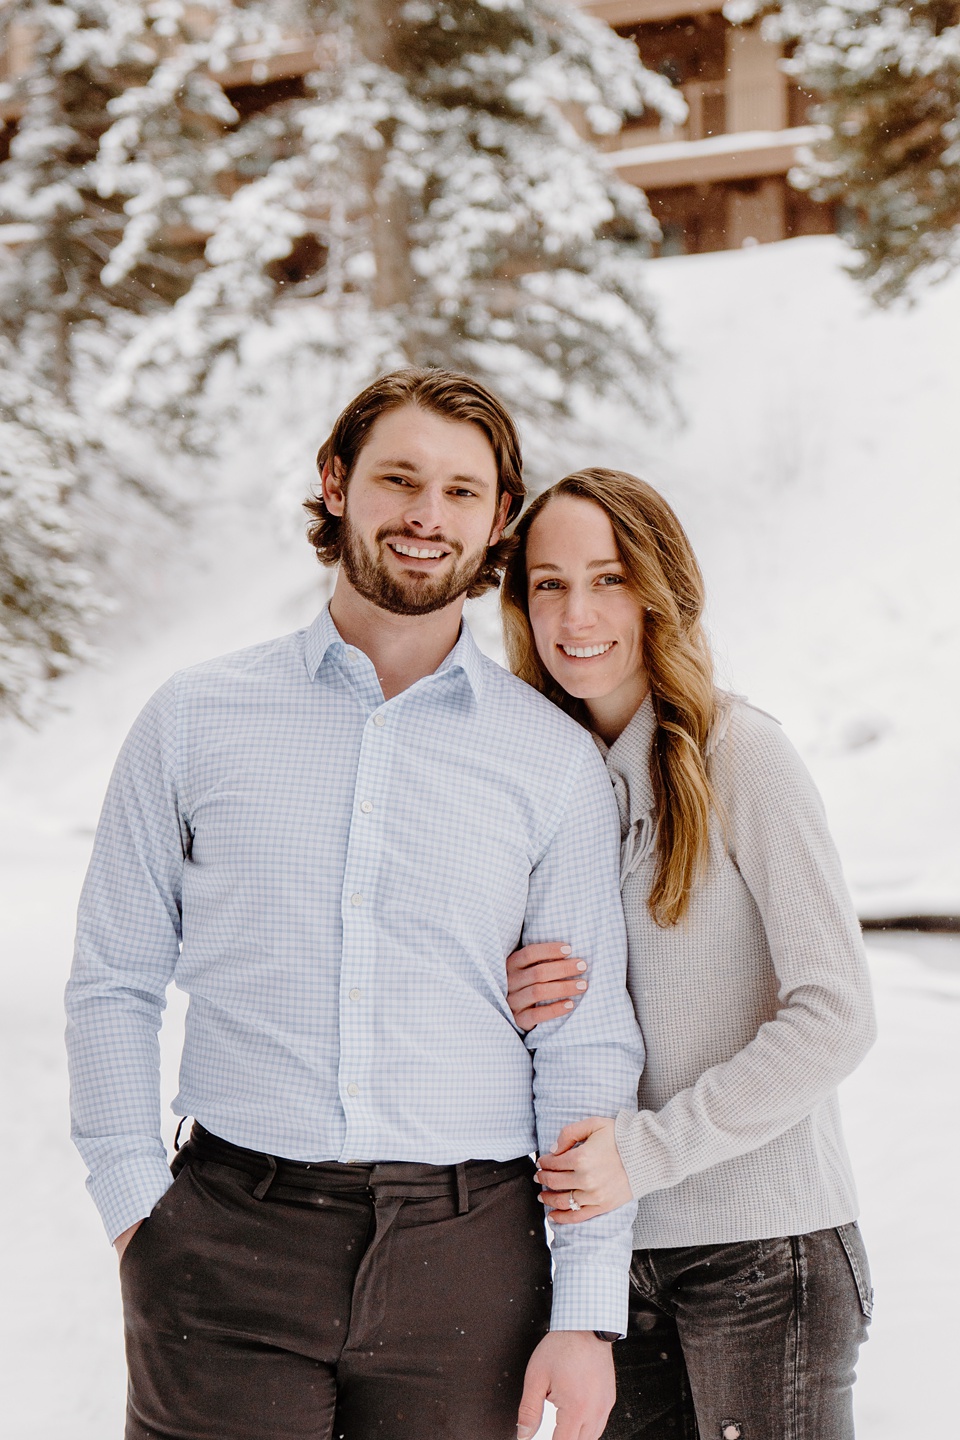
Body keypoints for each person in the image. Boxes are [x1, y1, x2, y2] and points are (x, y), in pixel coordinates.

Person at [65, 373, 646, 1440]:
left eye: (464, 492)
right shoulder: (196, 718)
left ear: (499, 517)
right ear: (336, 485)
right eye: (400, 479)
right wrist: (134, 1207)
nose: (430, 516)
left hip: (471, 1257)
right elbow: (114, 977)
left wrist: (589, 1308)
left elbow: (582, 1041)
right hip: (227, 1239)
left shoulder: (550, 761)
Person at [500, 468, 877, 1440]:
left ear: (660, 590)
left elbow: (837, 1013)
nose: (577, 614)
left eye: (608, 578)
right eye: (548, 583)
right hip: (613, 1262)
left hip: (762, 1252)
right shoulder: (541, 783)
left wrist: (650, 1151)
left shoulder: (742, 754)